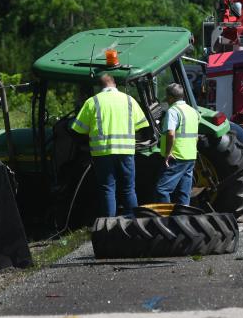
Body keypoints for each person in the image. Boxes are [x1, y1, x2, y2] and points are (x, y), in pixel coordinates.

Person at [71, 73, 149, 217]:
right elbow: (140, 125)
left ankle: (109, 224)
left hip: (102, 152)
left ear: (99, 86)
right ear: (114, 83)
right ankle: (133, 222)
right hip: (126, 151)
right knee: (129, 188)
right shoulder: (129, 100)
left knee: (108, 188)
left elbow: (79, 129)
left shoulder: (92, 102)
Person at [155, 83, 199, 205]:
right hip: (190, 156)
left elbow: (170, 133)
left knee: (162, 190)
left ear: (171, 98)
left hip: (176, 156)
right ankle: (182, 219)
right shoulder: (193, 111)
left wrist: (168, 153)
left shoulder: (173, 111)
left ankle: (165, 220)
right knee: (183, 192)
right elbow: (195, 136)